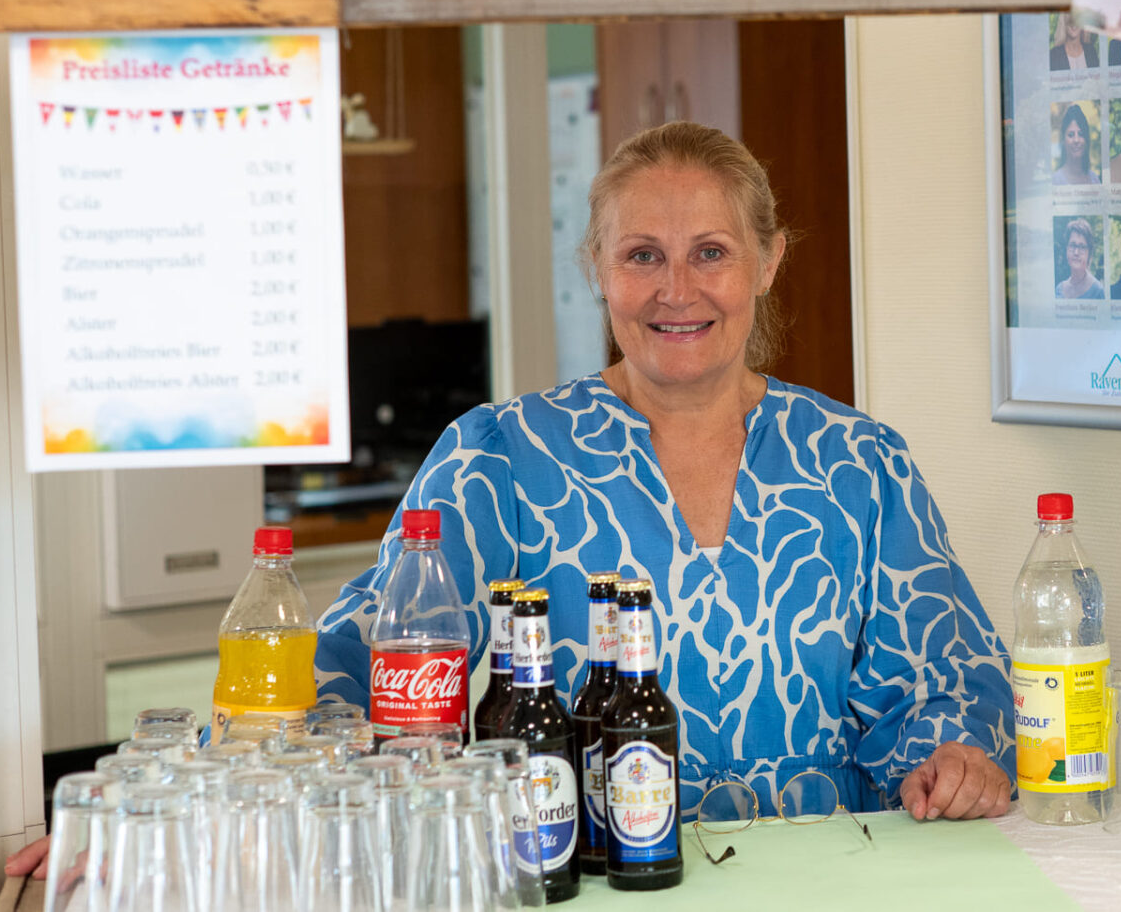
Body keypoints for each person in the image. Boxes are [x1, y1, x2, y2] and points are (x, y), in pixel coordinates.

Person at [315, 123, 1012, 822]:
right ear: (598, 268)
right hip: (587, 863)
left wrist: (952, 764)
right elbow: (370, 652)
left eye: (711, 253)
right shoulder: (501, 458)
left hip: (830, 864)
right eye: (642, 256)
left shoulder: (859, 462)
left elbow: (946, 687)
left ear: (768, 262)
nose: (677, 291)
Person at [1055, 218, 1106, 300]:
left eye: (1082, 247)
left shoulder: (1098, 291)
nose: (1076, 252)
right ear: (1067, 249)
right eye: (1072, 245)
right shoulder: (1059, 289)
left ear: (1089, 253)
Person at [1052, 103, 1099, 185]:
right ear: (1063, 140)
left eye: (1081, 134)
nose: (1076, 140)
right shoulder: (1056, 181)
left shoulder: (1094, 179)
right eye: (1071, 135)